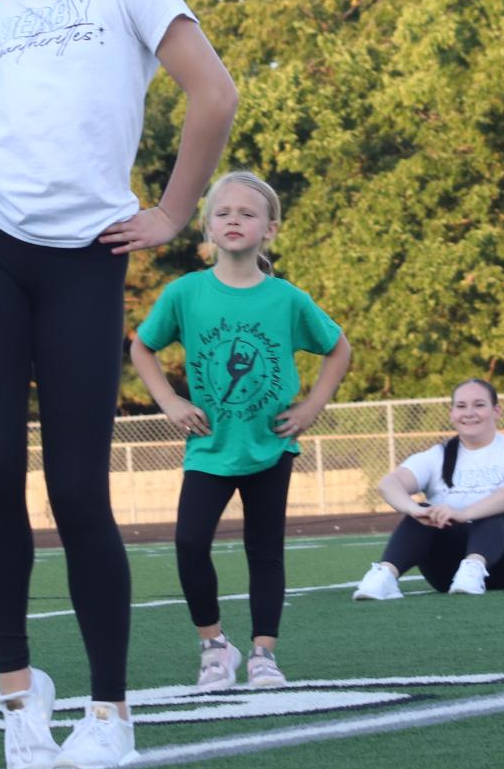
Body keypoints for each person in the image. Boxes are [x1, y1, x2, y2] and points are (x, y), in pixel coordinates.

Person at [0, 0, 237, 769]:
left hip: (86, 254)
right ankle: (18, 695)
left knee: (75, 489)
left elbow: (212, 94)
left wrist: (174, 212)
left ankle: (109, 712)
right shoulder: (2, 13)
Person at [132, 172, 351, 691]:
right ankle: (214, 646)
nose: (234, 220)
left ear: (270, 229)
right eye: (224, 213)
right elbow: (143, 346)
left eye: (247, 214)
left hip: (270, 445)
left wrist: (312, 406)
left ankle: (263, 655)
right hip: (209, 446)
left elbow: (338, 347)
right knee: (189, 542)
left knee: (264, 550)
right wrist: (168, 400)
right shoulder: (184, 293)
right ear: (207, 226)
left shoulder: (287, 299)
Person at [351, 379, 504, 599]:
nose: (469, 412)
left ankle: (474, 567)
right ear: (452, 413)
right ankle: (385, 575)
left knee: (491, 513)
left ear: (496, 411)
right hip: (450, 573)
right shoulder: (438, 455)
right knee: (422, 512)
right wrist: (415, 510)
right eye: (461, 406)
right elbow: (388, 484)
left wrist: (464, 514)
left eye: (479, 405)